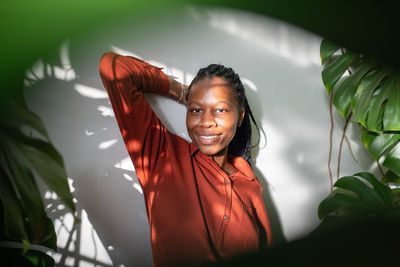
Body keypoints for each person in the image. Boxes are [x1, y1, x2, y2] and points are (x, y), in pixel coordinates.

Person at [99, 52, 273, 266]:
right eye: (196, 109)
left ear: (240, 117)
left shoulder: (249, 182)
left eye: (219, 110)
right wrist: (182, 92)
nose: (206, 122)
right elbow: (114, 67)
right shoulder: (162, 156)